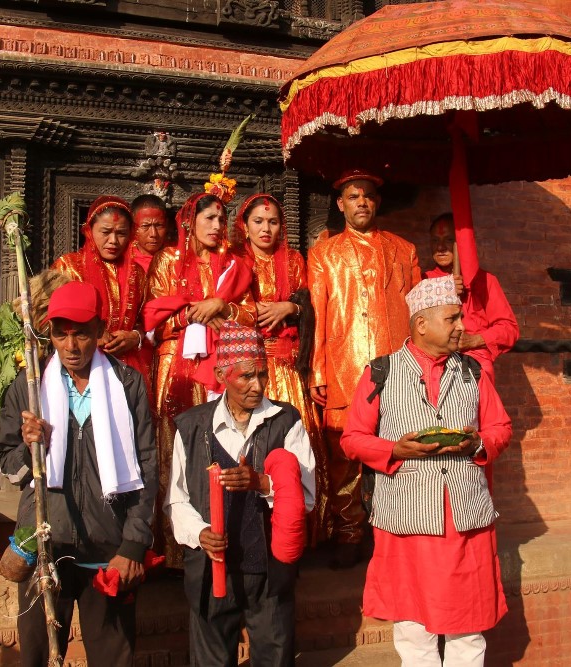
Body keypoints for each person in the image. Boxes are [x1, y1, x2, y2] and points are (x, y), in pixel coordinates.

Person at [341, 276, 512, 667]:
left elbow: (500, 428)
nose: (462, 327)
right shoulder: (379, 372)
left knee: (468, 630)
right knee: (413, 628)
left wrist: (478, 443)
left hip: (465, 517)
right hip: (406, 517)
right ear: (422, 323)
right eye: (452, 318)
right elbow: (352, 438)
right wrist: (394, 449)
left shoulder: (472, 371)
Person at [0, 281, 157, 667]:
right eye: (60, 334)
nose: (71, 346)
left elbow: (147, 464)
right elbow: (7, 461)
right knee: (36, 655)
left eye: (81, 334)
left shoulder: (126, 384)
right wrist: (31, 444)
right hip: (45, 545)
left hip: (107, 548)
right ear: (49, 335)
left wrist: (133, 544)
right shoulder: (30, 389)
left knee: (114, 658)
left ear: (99, 330)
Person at [166, 322, 315, 667]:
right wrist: (200, 533)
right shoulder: (191, 427)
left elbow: (306, 497)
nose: (258, 386)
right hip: (211, 570)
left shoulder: (286, 421)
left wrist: (261, 483)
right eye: (246, 377)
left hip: (269, 571)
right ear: (221, 374)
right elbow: (176, 499)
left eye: (262, 375)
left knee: (274, 658)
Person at [307, 169, 421, 567]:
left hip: (396, 367)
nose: (361, 203)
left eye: (368, 196)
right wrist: (317, 367)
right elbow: (319, 312)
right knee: (344, 453)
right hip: (343, 361)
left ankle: (399, 528)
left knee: (400, 446)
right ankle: (349, 531)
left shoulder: (403, 250)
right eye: (353, 196)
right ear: (341, 204)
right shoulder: (325, 252)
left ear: (377, 202)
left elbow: (418, 315)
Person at [145, 192, 257, 566]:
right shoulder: (167, 260)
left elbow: (247, 316)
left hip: (220, 366)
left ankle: (222, 535)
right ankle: (177, 549)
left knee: (217, 447)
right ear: (189, 221)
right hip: (176, 364)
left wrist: (224, 306)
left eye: (221, 220)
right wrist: (193, 314)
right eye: (208, 219)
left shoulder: (234, 264)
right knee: (174, 447)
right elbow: (152, 318)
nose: (215, 226)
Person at [233, 193, 331, 544]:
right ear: (245, 227)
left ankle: (300, 526)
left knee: (296, 442)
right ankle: (252, 529)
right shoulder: (235, 260)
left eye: (272, 222)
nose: (266, 228)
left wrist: (289, 306)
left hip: (287, 366)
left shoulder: (292, 260)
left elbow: (311, 303)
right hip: (249, 366)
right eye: (258, 222)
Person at [52, 195, 149, 385]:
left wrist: (135, 337)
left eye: (121, 233)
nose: (113, 240)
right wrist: (90, 333)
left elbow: (145, 319)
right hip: (80, 366)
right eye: (105, 232)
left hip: (127, 366)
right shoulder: (67, 267)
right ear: (89, 231)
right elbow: (51, 320)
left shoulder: (137, 273)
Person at [426, 213, 519, 384]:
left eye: (448, 240)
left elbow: (509, 330)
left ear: (461, 243)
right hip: (435, 372)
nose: (440, 247)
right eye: (435, 240)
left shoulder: (484, 281)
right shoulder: (423, 280)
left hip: (475, 370)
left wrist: (474, 340)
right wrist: (444, 288)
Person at [129, 194, 169, 273]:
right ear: (133, 227)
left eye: (159, 225)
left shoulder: (176, 257)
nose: (153, 234)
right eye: (145, 226)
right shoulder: (126, 259)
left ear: (167, 225)